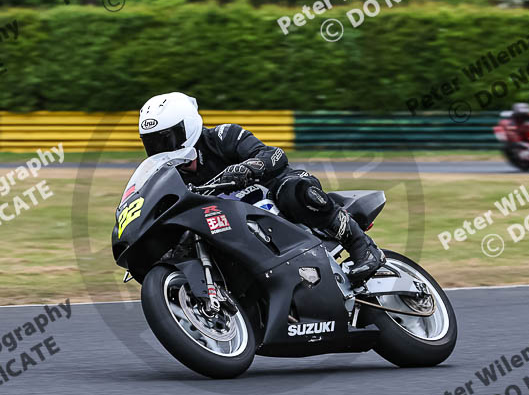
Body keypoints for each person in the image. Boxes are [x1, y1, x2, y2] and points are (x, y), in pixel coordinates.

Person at [138, 92, 383, 285]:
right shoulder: (169, 174)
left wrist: (246, 169)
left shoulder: (223, 136)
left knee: (293, 190)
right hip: (227, 222)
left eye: (165, 139)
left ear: (187, 127)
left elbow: (274, 155)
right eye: (152, 143)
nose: (160, 148)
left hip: (271, 195)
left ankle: (362, 247)